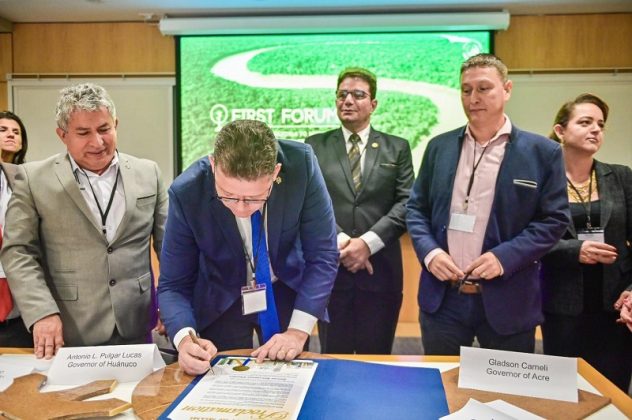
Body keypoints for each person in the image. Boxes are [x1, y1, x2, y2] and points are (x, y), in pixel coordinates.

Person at [406, 53, 569, 355]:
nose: (473, 98)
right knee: (442, 381)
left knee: (504, 386)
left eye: (483, 88)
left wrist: (504, 258)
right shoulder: (438, 147)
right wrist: (430, 253)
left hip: (509, 300)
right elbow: (416, 209)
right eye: (466, 90)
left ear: (507, 89)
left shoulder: (543, 153)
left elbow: (553, 221)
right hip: (443, 300)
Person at [157, 119, 338, 375]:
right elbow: (173, 284)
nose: (241, 209)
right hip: (219, 295)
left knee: (286, 376)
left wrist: (297, 332)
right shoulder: (187, 191)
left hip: (284, 289)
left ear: (275, 173)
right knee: (220, 380)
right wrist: (186, 341)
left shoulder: (302, 165)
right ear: (213, 165)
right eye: (228, 196)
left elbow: (323, 256)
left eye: (254, 199)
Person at [0, 83, 168, 358]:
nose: (98, 142)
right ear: (62, 135)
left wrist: (170, 302)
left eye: (104, 129)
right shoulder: (33, 179)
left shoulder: (149, 173)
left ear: (116, 124)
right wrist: (41, 311)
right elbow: (18, 252)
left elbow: (169, 248)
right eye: (83, 133)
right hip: (68, 330)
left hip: (137, 324)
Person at [305, 67, 414, 354]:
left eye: (357, 95)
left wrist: (366, 244)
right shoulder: (314, 146)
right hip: (331, 269)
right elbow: (309, 203)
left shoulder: (397, 148)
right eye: (342, 95)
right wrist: (344, 242)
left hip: (381, 272)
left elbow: (406, 203)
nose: (348, 101)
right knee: (334, 359)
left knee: (376, 361)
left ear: (373, 103)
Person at [540, 93, 632, 391]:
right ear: (560, 131)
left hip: (616, 307)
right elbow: (529, 240)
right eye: (585, 122)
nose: (596, 129)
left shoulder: (621, 177)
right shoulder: (541, 182)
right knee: (565, 395)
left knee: (614, 393)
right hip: (561, 307)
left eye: (600, 124)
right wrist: (574, 250)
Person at [0, 111, 32, 347]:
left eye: (16, 132)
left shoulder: (28, 178)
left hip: (16, 276)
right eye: (3, 130)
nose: (10, 134)